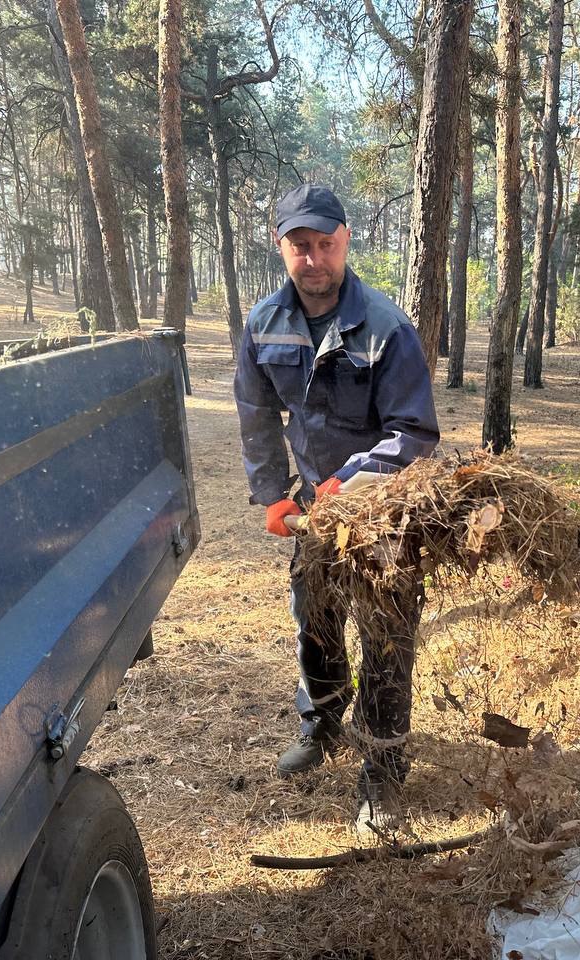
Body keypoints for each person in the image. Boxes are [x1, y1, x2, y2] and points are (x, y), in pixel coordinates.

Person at [233, 183, 439, 833]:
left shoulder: (385, 326)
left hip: (384, 517)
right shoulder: (266, 323)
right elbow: (256, 413)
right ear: (282, 247)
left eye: (326, 245)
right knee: (315, 625)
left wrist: (351, 479)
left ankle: (382, 769)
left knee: (385, 640)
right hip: (314, 516)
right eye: (301, 246)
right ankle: (321, 725)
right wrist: (271, 492)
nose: (314, 259)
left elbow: (413, 432)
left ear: (345, 242)